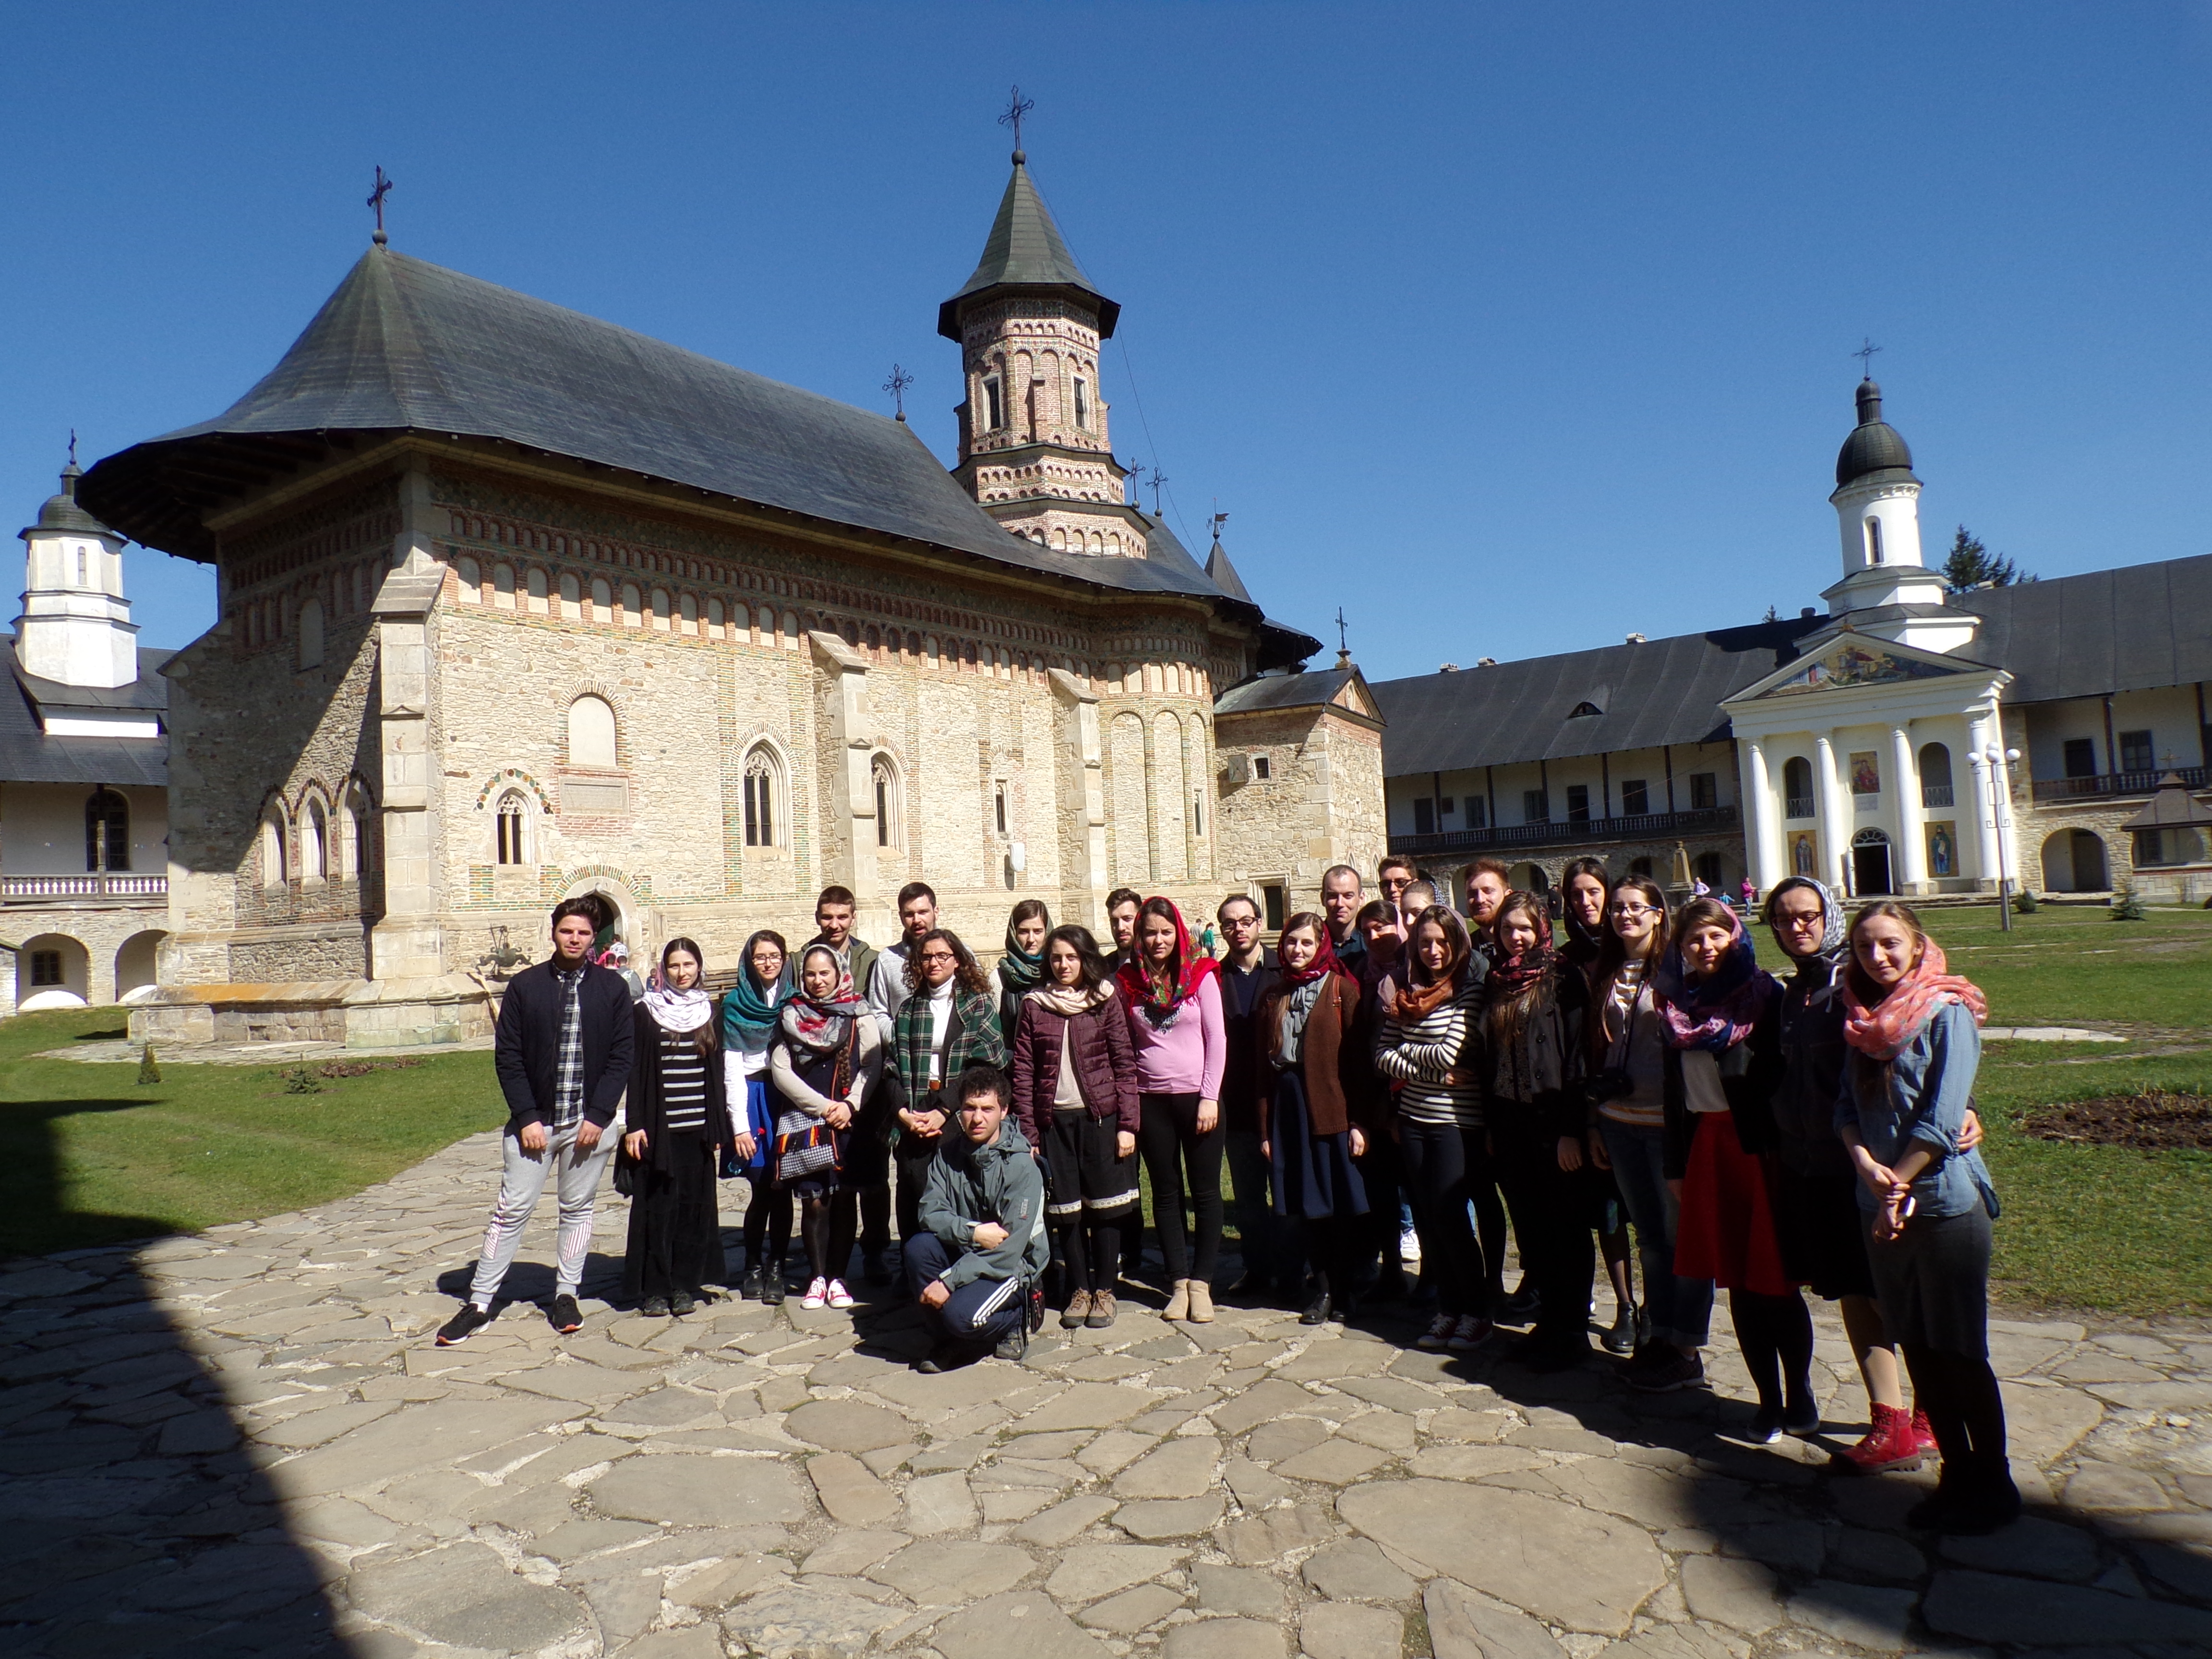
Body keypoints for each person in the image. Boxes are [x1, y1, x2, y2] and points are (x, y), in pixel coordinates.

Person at [1764, 876, 1984, 1469]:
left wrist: (1969, 1109)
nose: (1796, 928)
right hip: (1820, 1163)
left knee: (1894, 1298)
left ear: (1828, 917)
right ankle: (1888, 1418)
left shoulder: (1859, 988)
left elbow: (1920, 1061)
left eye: (1807, 916)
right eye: (1783, 920)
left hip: (1883, 1174)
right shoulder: (1796, 993)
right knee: (1854, 1293)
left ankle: (1929, 1412)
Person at [1836, 902, 2012, 1532]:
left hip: (1943, 1205)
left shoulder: (1948, 1012)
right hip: (1879, 1206)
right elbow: (1844, 1110)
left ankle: (1993, 1482)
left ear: (1916, 946)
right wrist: (1865, 1167)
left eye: (1889, 945)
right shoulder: (1858, 1020)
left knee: (1960, 1349)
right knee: (1918, 1346)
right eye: (1864, 949)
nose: (1877, 958)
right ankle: (1955, 1476)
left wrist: (1896, 1183)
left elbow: (1943, 1115)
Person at [440, 899, 636, 1344]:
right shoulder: (526, 986)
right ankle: (480, 1301)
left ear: (594, 939)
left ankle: (566, 1293)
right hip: (536, 1125)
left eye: (584, 933)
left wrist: (601, 1114)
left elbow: (623, 1055)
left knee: (577, 1210)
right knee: (511, 1211)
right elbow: (508, 1055)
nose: (574, 939)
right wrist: (526, 1115)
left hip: (589, 1124)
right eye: (567, 931)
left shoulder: (611, 988)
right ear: (554, 933)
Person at [1659, 897, 1811, 1442]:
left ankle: (1800, 1394)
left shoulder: (1766, 996)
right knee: (1740, 1286)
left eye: (1715, 936)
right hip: (1710, 1148)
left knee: (1776, 1283)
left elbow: (1788, 1076)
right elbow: (1675, 1094)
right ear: (1681, 948)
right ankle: (1767, 1401)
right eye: (1694, 940)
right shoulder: (1676, 1006)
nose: (1705, 948)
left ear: (1735, 938)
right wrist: (1676, 1161)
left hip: (1759, 1149)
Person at [1587, 879, 1710, 1390]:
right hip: (1620, 1121)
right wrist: (1595, 1119)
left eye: (1637, 907)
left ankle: (1686, 1347)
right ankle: (1660, 1338)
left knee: (1683, 1241)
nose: (1624, 915)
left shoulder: (1678, 970)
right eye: (1617, 908)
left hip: (1668, 1124)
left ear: (1659, 914)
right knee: (1652, 1241)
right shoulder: (1611, 970)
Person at [1480, 890, 1594, 1368]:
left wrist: (1573, 1129)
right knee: (1532, 1226)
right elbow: (1489, 1056)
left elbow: (1578, 1056)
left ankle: (1573, 1331)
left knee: (1565, 1226)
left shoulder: (1563, 976)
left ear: (1541, 927)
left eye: (1524, 927)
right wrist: (1491, 1125)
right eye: (1508, 930)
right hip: (1511, 1120)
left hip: (1554, 1122)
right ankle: (1548, 1323)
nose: (1516, 937)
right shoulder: (1499, 982)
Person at [1010, 924, 1141, 1328]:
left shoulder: (1105, 999)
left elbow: (1124, 1061)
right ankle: (1079, 1289)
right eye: (1056, 958)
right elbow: (1024, 1072)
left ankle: (1105, 1290)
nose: (1064, 965)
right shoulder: (1035, 1005)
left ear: (1085, 959)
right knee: (1066, 1211)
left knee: (1104, 1208)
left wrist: (1128, 1124)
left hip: (1101, 1119)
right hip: (1055, 1124)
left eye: (1071, 957)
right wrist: (1031, 1132)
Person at [1373, 904, 1489, 1351]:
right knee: (1428, 1219)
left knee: (1452, 1217)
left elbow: (1450, 1052)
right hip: (1414, 1118)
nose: (1434, 950)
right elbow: (1383, 1056)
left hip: (1454, 1121)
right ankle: (1449, 1307)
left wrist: (1411, 1057)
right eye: (1425, 943)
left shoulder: (1467, 991)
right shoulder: (1406, 990)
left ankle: (1476, 1311)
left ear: (1457, 944)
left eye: (1442, 942)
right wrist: (1426, 1064)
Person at [1120, 897, 1227, 1321]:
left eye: (1166, 932)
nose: (1158, 940)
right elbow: (1125, 1045)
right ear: (1140, 938)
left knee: (1204, 1192)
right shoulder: (1128, 981)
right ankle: (1179, 1281)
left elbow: (1216, 1039)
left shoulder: (1200, 976)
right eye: (1150, 933)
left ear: (1179, 933)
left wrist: (1209, 1096)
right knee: (1165, 1194)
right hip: (1151, 1101)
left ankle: (1202, 1282)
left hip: (1198, 1100)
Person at [1258, 912, 1368, 1325]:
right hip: (1290, 1112)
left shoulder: (1342, 990)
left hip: (1332, 1109)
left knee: (1341, 1206)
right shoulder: (1274, 996)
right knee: (1309, 1207)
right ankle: (1321, 1288)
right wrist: (1267, 1126)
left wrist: (1359, 1121)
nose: (1297, 950)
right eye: (1290, 942)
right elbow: (1262, 1070)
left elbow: (1358, 1064)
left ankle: (1347, 1288)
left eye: (1306, 943)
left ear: (1320, 944)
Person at [908, 1065, 1050, 1372]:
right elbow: (929, 1213)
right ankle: (947, 1338)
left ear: (1004, 1111)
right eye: (970, 1108)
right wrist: (973, 1233)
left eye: (987, 1109)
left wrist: (949, 1281)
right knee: (919, 1248)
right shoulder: (947, 1156)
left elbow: (1009, 1249)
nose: (977, 1118)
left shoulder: (1022, 1168)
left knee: (962, 1316)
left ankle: (1016, 1316)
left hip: (1013, 1264)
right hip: (970, 1249)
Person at [770, 943, 884, 1311]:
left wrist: (851, 1104)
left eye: (825, 973)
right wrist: (824, 1108)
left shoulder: (858, 1013)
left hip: (849, 1120)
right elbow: (781, 1069)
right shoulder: (792, 1015)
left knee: (843, 1200)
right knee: (814, 1202)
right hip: (810, 1121)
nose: (818, 981)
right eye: (810, 974)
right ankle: (817, 1277)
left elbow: (873, 1064)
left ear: (839, 974)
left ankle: (839, 1277)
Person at [619, 939, 729, 1316]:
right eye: (674, 966)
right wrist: (633, 1124)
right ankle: (655, 1287)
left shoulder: (710, 1012)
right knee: (657, 1209)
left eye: (688, 964)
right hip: (658, 1127)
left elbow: (716, 1071)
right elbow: (634, 1071)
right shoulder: (645, 1012)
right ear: (664, 970)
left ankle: (684, 1284)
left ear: (699, 966)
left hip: (696, 1129)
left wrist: (718, 1126)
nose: (682, 972)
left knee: (692, 1209)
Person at [1558, 856, 1639, 1355]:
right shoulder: (1567, 962)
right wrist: (1583, 1118)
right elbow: (1570, 1044)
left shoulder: (1634, 953)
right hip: (1594, 1102)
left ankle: (1657, 1309)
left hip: (1646, 1102)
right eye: (1577, 895)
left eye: (1594, 892)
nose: (1587, 903)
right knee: (1608, 1213)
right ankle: (1625, 1306)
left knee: (1649, 1215)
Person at [888, 929, 1008, 1241]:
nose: (934, 963)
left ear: (957, 961)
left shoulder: (977, 1005)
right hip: (917, 1107)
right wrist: (903, 1111)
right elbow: (890, 1068)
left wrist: (945, 1108)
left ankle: (959, 1266)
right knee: (914, 1188)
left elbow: (985, 1065)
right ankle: (917, 1267)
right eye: (926, 957)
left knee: (959, 1191)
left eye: (942, 955)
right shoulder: (909, 1010)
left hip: (960, 1107)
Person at [807, 886, 888, 1280]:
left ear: (853, 917)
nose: (834, 924)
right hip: (821, 1085)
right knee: (831, 1178)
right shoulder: (802, 959)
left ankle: (875, 1250)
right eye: (827, 917)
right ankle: (832, 1260)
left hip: (864, 1085)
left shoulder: (871, 960)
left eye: (842, 917)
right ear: (818, 917)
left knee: (873, 1178)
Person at [1214, 893, 1284, 1300]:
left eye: (1245, 921)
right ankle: (1257, 1269)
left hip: (1279, 1100)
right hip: (1236, 1101)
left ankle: (1294, 1269)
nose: (1238, 928)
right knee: (1248, 1198)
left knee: (1287, 1192)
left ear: (1259, 923)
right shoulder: (1213, 975)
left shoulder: (1283, 968)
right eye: (1229, 923)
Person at [721, 929, 794, 1303]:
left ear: (784, 959)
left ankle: (778, 1265)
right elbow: (732, 1070)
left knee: (783, 1189)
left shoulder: (794, 999)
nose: (768, 963)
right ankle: (752, 1264)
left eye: (774, 956)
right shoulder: (735, 1005)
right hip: (754, 1096)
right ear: (749, 962)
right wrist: (741, 1127)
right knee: (761, 1187)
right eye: (760, 957)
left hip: (788, 1097)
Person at [997, 900, 1052, 1042]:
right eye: (1024, 932)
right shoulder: (1000, 979)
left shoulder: (1057, 972)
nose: (1031, 939)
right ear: (1014, 934)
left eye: (1038, 931)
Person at [1320, 865, 1368, 972]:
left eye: (1348, 896)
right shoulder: (1313, 941)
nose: (1340, 904)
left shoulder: (1371, 942)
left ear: (1361, 899)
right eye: (1333, 896)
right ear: (1323, 898)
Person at [1460, 858, 1511, 948]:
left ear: (1508, 895)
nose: (1480, 900)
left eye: (1488, 891)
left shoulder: (1526, 950)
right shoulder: (1464, 952)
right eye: (1472, 893)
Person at [1377, 855, 1419, 932]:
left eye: (1401, 882)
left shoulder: (1430, 922)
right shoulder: (1373, 930)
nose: (1392, 889)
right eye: (1386, 884)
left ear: (1415, 884)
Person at [1106, 888, 1144, 966]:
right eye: (1115, 921)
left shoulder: (1156, 966)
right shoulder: (1100, 970)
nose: (1120, 927)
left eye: (1127, 919)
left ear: (1140, 919)